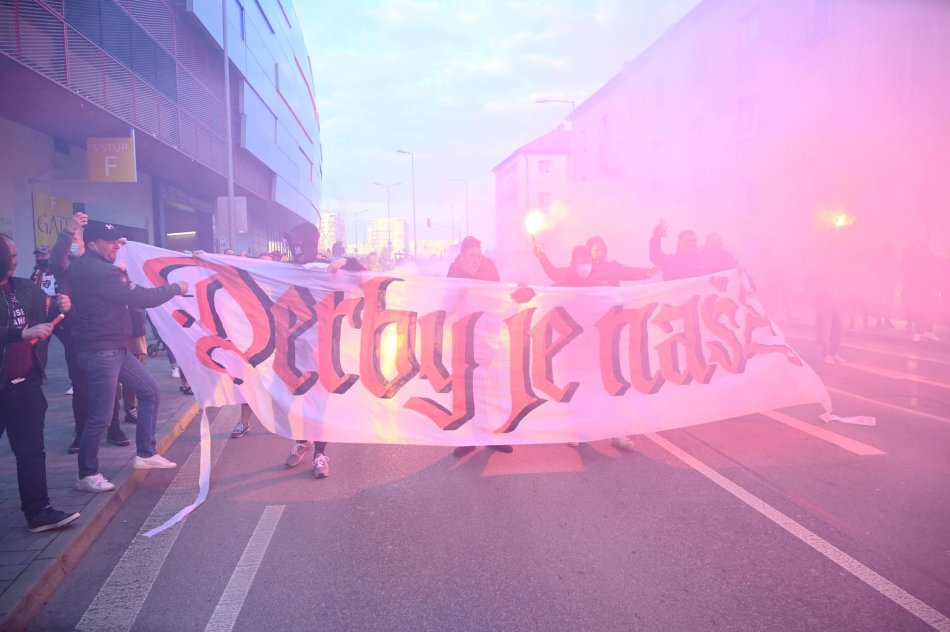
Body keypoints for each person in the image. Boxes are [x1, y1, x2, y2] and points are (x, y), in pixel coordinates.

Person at [67, 221, 188, 493]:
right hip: (102, 350)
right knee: (100, 417)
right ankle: (87, 474)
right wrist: (176, 287)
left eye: (117, 242)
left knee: (150, 391)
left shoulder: (82, 265)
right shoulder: (103, 272)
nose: (115, 247)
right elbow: (143, 297)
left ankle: (146, 453)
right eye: (109, 242)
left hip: (112, 347)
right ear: (92, 244)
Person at [1, 233, 81, 532]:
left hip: (26, 385)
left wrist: (63, 309)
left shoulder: (25, 287)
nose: (14, 260)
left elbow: (49, 319)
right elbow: (22, 331)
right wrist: (19, 333)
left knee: (31, 452)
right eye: (8, 255)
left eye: (14, 254)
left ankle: (38, 512)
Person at [275, 222, 365, 478]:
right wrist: (207, 261)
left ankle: (320, 454)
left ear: (310, 243)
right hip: (294, 350)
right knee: (296, 401)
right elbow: (245, 272)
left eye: (299, 243)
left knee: (319, 403)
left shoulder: (328, 270)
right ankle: (303, 441)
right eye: (292, 243)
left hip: (325, 350)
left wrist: (346, 261)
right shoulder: (286, 271)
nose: (295, 248)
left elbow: (365, 276)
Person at [50, 214, 130, 452]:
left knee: (112, 384)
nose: (77, 243)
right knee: (81, 385)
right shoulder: (68, 269)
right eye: (73, 238)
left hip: (107, 335)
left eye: (79, 238)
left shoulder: (106, 265)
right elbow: (57, 260)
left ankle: (114, 429)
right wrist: (69, 231)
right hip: (77, 337)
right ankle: (81, 432)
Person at [447, 236, 513, 458]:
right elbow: (448, 306)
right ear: (462, 256)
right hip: (467, 340)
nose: (476, 260)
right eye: (472, 256)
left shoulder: (489, 269)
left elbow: (500, 297)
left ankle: (494, 436)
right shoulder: (455, 274)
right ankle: (473, 439)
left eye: (479, 255)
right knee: (472, 392)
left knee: (496, 389)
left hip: (490, 338)